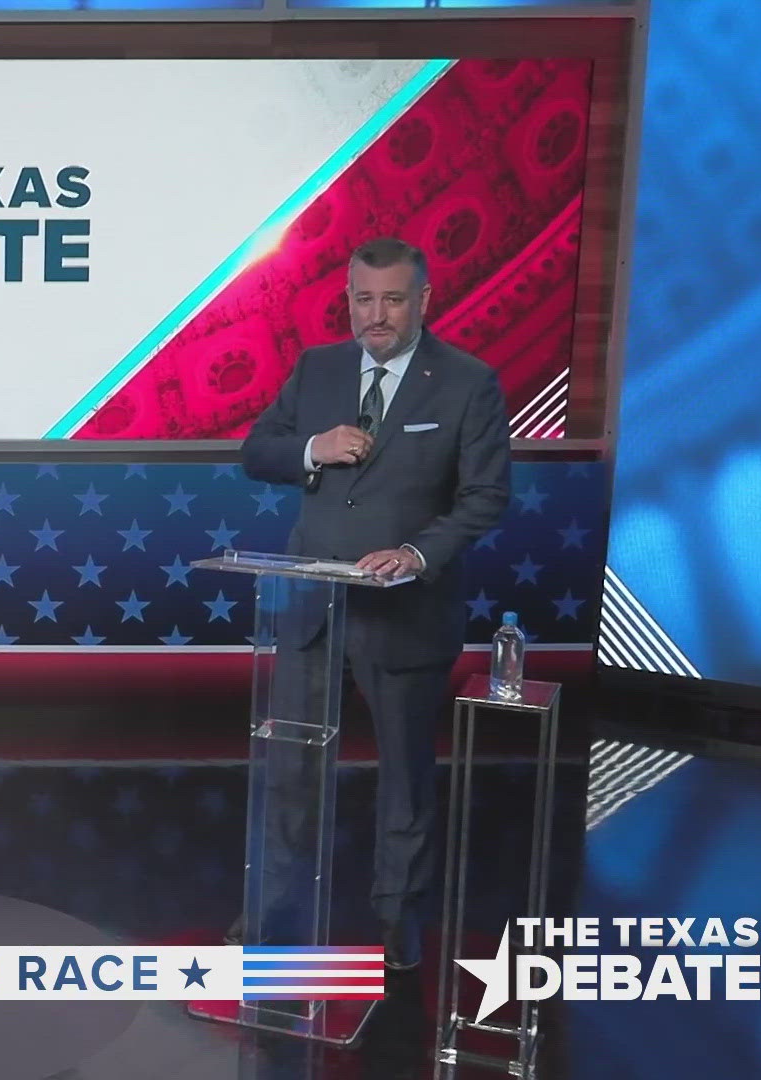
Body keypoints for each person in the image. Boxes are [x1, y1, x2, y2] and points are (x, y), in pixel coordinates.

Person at [239, 237, 511, 969]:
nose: (376, 314)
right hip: (311, 610)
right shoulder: (317, 369)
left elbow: (486, 495)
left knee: (405, 774)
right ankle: (272, 911)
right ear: (349, 300)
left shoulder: (467, 382)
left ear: (423, 300)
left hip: (405, 613)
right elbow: (256, 451)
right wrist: (311, 448)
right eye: (364, 299)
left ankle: (398, 921)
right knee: (291, 767)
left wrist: (417, 554)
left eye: (393, 299)